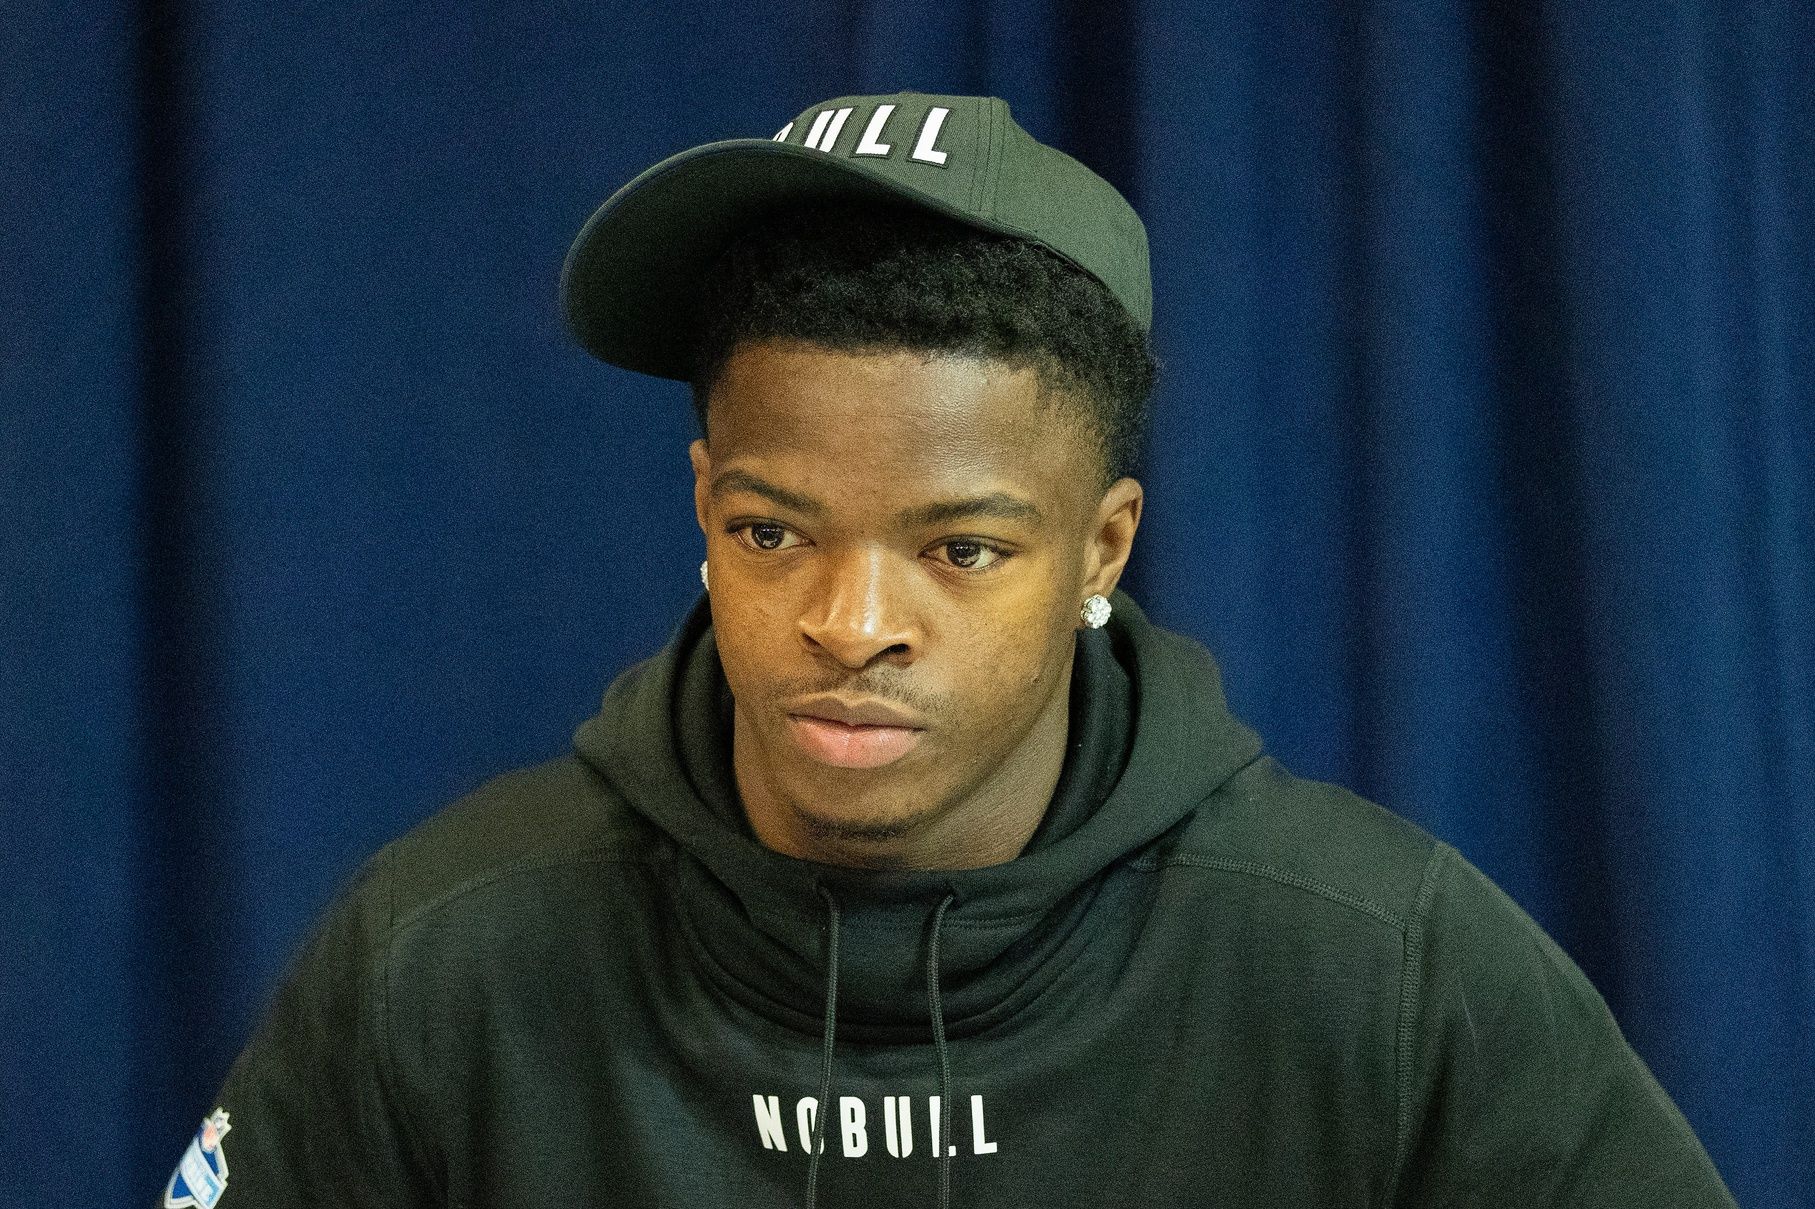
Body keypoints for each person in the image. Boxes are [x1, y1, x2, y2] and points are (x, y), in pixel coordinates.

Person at [159, 91, 1735, 1208]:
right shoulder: (447, 953)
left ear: (1101, 550)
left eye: (959, 549)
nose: (850, 626)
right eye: (775, 532)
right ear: (703, 501)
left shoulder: (1380, 971)